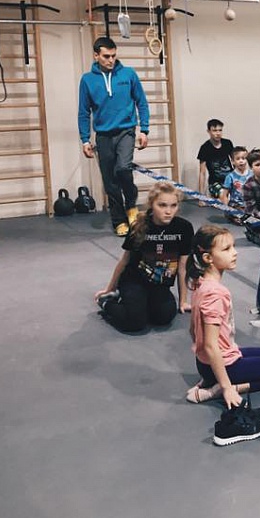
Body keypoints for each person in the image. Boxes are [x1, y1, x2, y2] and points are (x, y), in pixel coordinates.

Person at [185, 225, 260, 412]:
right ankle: (219, 389)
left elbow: (192, 330)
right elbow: (210, 345)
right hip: (225, 367)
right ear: (208, 258)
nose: (235, 253)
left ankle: (211, 379)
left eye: (233, 246)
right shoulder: (216, 294)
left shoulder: (199, 283)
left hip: (206, 363)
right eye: (226, 249)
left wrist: (205, 358)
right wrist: (226, 387)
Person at [94, 182, 193, 330]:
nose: (168, 211)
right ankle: (107, 303)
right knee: (135, 322)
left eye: (173, 205)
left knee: (164, 316)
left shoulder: (184, 228)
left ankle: (141, 304)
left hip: (159, 284)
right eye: (162, 205)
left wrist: (183, 301)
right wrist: (110, 288)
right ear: (152, 204)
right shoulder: (139, 226)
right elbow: (124, 261)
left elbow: (183, 267)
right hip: (134, 281)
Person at [78, 36, 150, 237]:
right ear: (96, 56)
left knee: (123, 169)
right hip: (103, 135)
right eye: (106, 56)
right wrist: (85, 139)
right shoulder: (87, 80)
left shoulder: (128, 74)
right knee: (110, 181)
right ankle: (119, 220)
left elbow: (141, 102)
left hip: (126, 131)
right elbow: (84, 112)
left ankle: (131, 207)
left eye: (113, 56)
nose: (111, 60)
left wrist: (144, 129)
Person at [196, 118, 234, 204]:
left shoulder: (227, 143)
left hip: (230, 180)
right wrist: (201, 197)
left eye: (220, 130)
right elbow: (202, 173)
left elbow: (235, 162)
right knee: (225, 199)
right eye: (214, 130)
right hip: (215, 183)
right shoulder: (205, 148)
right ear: (208, 131)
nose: (218, 133)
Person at [219, 146, 252, 215]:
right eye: (238, 159)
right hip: (235, 206)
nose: (241, 161)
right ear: (233, 161)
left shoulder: (252, 174)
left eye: (243, 158)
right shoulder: (230, 176)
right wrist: (226, 208)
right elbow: (224, 195)